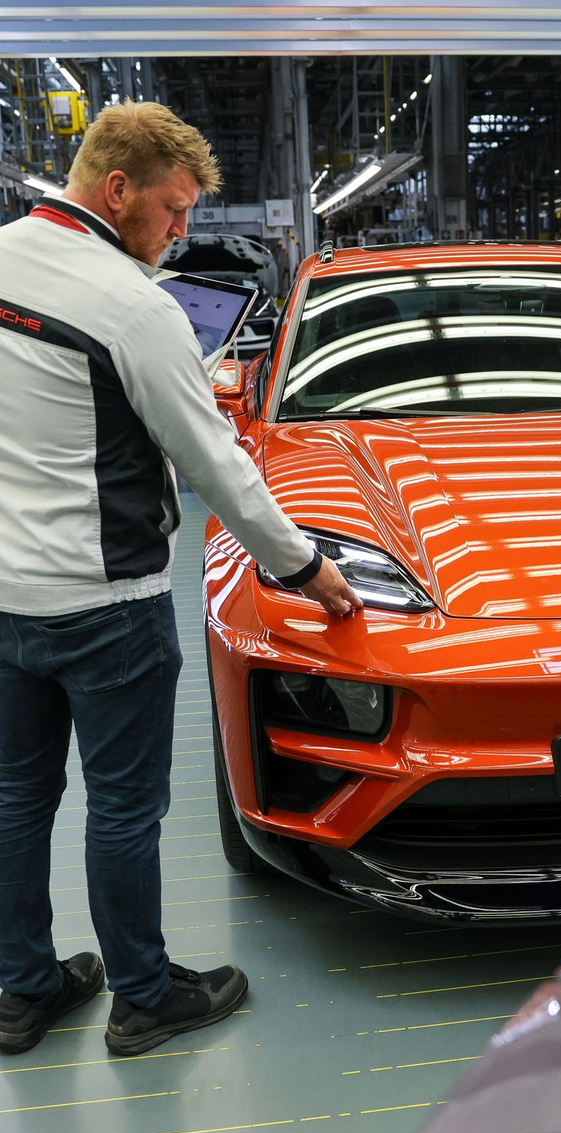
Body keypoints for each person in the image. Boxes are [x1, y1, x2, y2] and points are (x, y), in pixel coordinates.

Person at [0, 100, 361, 1057]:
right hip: (106, 603)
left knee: (16, 796)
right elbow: (216, 464)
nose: (181, 229)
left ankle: (22, 991)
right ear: (118, 189)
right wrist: (305, 566)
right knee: (124, 807)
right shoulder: (133, 305)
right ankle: (144, 996)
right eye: (175, 207)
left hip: (5, 596)